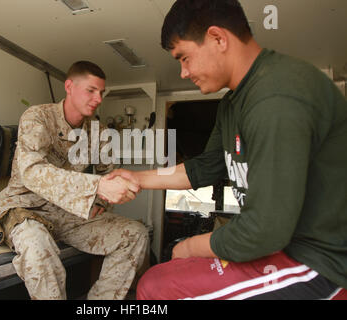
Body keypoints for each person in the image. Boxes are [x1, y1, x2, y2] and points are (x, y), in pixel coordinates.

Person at [104, 0, 347, 300]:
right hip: (278, 247)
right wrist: (138, 178)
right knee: (160, 276)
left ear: (218, 38)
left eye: (184, 58)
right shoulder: (230, 105)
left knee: (156, 288)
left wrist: (191, 246)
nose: (182, 72)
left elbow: (264, 230)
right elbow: (203, 168)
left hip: (319, 262)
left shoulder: (277, 95)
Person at [0, 61, 148, 300]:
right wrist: (96, 186)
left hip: (68, 214)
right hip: (25, 208)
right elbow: (32, 171)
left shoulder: (99, 131)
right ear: (69, 86)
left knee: (135, 233)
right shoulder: (37, 117)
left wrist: (102, 202)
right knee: (38, 248)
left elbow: (107, 173)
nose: (98, 98)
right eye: (91, 90)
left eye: (101, 93)